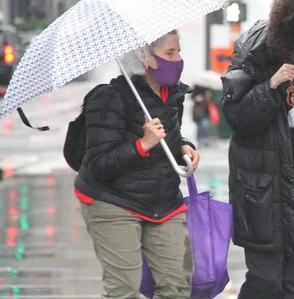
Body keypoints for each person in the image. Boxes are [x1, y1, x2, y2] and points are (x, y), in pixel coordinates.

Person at [221, 0, 294, 299]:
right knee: (266, 282)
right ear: (289, 26)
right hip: (265, 186)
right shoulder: (255, 48)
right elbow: (236, 117)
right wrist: (271, 86)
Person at [74, 30, 200, 299]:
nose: (178, 60)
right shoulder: (109, 98)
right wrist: (142, 145)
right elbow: (99, 164)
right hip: (112, 201)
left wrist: (183, 148)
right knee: (124, 290)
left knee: (177, 287)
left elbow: (168, 140)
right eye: (169, 53)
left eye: (178, 51)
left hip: (163, 200)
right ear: (145, 59)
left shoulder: (173, 95)